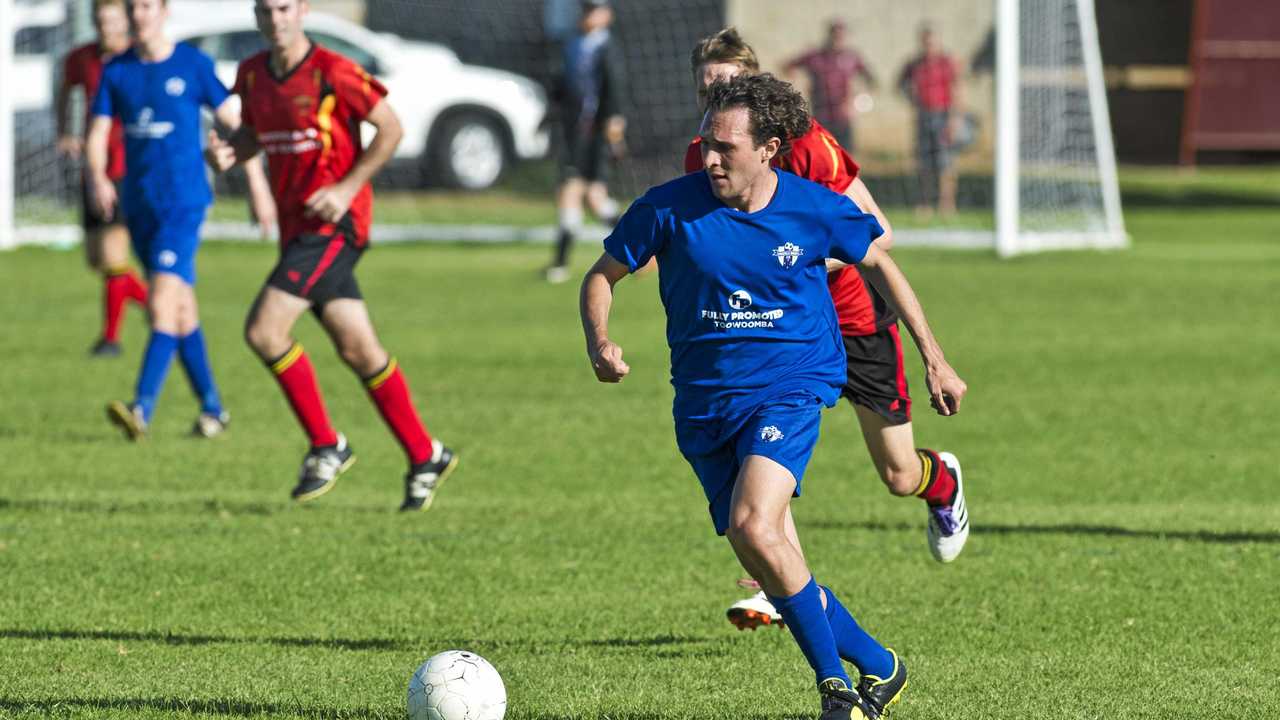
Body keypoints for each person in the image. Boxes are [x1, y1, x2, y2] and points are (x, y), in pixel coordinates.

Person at [581, 73, 967, 720]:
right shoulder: (667, 207)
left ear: (769, 149)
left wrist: (935, 357)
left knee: (753, 523)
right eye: (706, 143)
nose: (709, 158)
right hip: (704, 405)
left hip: (791, 386)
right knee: (770, 554)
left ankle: (834, 689)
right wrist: (600, 342)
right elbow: (603, 274)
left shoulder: (813, 207)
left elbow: (880, 260)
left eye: (725, 148)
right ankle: (882, 666)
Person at [685, 29, 970, 640]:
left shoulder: (809, 148)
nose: (717, 97)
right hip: (777, 338)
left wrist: (801, 258)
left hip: (855, 321)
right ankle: (777, 583)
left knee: (897, 475)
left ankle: (940, 482)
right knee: (759, 460)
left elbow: (880, 234)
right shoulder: (705, 161)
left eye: (728, 84)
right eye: (707, 89)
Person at [205, 0, 458, 511]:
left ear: (300, 10)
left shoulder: (334, 71)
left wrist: (345, 189)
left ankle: (326, 445)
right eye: (264, 10)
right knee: (360, 351)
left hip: (335, 227)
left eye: (283, 9)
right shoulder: (252, 75)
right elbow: (256, 135)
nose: (275, 20)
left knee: (264, 331)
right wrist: (230, 152)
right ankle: (425, 454)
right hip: (298, 232)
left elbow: (390, 129)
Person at [90, 0, 236, 440]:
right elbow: (97, 132)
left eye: (148, 6)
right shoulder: (117, 71)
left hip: (184, 203)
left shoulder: (193, 64)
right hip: (139, 204)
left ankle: (141, 408)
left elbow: (234, 119)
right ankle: (213, 408)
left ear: (165, 11)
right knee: (181, 309)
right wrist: (98, 177)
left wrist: (249, 168)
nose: (140, 15)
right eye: (134, 7)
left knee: (159, 304)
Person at [57, 0, 146, 357]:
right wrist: (65, 130)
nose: (106, 29)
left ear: (125, 22)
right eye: (100, 21)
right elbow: (65, 89)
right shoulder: (82, 58)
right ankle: (162, 306)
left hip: (127, 168)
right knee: (97, 260)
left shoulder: (139, 58)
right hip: (93, 168)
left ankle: (110, 339)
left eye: (112, 21)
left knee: (113, 256)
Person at [545, 0, 626, 284]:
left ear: (607, 15)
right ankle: (642, 255)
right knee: (587, 195)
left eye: (594, 10)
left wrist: (614, 128)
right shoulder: (574, 45)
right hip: (575, 132)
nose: (588, 15)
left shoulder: (607, 48)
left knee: (586, 194)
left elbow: (613, 90)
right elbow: (562, 87)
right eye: (586, 10)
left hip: (596, 134)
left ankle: (560, 263)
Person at [897, 23, 963, 218]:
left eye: (932, 42)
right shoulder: (914, 64)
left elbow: (958, 90)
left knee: (946, 162)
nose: (929, 46)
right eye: (926, 42)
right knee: (923, 163)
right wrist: (912, 99)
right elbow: (900, 85)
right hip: (923, 116)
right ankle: (924, 203)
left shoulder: (947, 62)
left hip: (944, 115)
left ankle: (947, 204)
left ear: (938, 42)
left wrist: (954, 118)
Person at [784, 19, 877, 152]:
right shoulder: (815, 57)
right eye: (835, 35)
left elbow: (871, 80)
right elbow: (788, 66)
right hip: (821, 115)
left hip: (843, 117)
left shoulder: (852, 58)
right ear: (828, 35)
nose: (837, 39)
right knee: (821, 153)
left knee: (845, 155)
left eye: (841, 36)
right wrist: (797, 87)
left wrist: (857, 101)